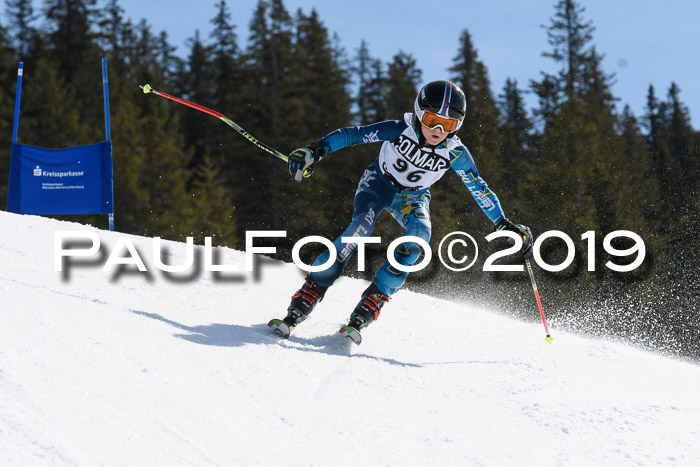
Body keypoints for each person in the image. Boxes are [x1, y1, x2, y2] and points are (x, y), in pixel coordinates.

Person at [269, 80, 532, 342]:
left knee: (419, 239)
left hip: (413, 198)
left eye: (448, 124)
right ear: (419, 113)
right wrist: (315, 150)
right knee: (360, 230)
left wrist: (503, 223)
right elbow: (352, 134)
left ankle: (371, 304)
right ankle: (308, 295)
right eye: (431, 120)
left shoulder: (455, 153)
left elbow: (478, 187)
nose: (438, 130)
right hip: (378, 184)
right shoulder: (398, 130)